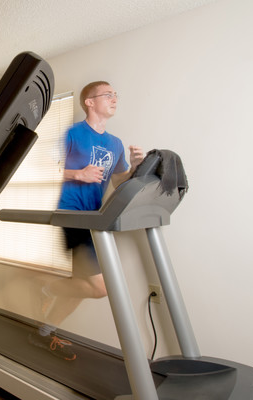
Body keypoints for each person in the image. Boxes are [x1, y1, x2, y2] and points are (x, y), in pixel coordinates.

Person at [35, 81, 145, 360]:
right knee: (99, 288)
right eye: (108, 94)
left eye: (115, 95)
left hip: (94, 218)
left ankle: (44, 331)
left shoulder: (115, 143)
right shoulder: (73, 133)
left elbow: (119, 181)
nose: (114, 98)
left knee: (80, 288)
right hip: (72, 213)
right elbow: (46, 168)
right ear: (90, 102)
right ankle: (46, 286)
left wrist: (134, 166)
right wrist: (77, 174)